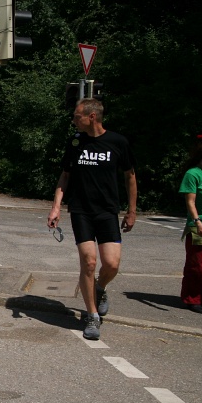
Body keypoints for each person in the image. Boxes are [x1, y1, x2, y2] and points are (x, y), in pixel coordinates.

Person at [47, 98, 138, 340]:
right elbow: (65, 176)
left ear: (92, 117)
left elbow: (130, 176)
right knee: (88, 262)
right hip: (81, 211)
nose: (73, 120)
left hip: (107, 211)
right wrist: (56, 207)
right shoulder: (75, 142)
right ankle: (92, 315)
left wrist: (131, 211)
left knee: (111, 264)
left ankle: (100, 288)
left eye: (77, 116)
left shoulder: (117, 142)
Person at [178, 126, 202, 314]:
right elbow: (190, 202)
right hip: (199, 225)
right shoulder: (194, 173)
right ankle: (193, 299)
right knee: (196, 266)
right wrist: (198, 221)